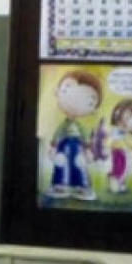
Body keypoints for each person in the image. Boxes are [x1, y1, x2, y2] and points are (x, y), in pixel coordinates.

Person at [46, 70, 102, 200]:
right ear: (57, 92)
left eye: (89, 100)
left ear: (94, 108)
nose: (75, 101)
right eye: (67, 90)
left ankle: (82, 186)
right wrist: (54, 147)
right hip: (63, 146)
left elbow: (85, 136)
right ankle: (60, 184)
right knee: (61, 163)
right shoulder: (63, 125)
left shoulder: (81, 127)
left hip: (78, 147)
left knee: (79, 165)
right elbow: (58, 133)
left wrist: (88, 149)